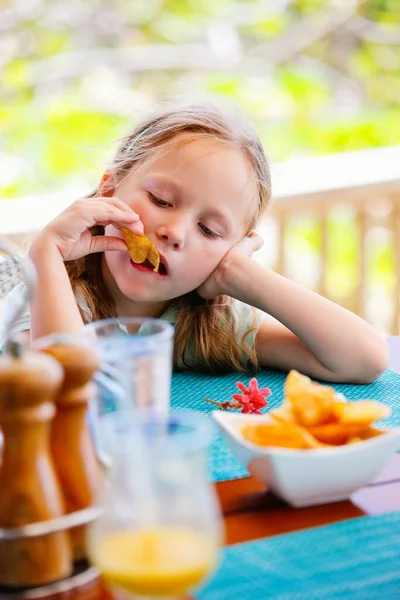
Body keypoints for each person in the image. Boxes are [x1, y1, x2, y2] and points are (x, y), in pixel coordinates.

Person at [1, 102, 388, 382]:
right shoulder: (44, 297)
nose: (175, 231)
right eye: (161, 201)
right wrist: (47, 255)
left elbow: (364, 360)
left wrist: (240, 273)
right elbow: (67, 395)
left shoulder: (207, 324)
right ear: (109, 188)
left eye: (209, 231)